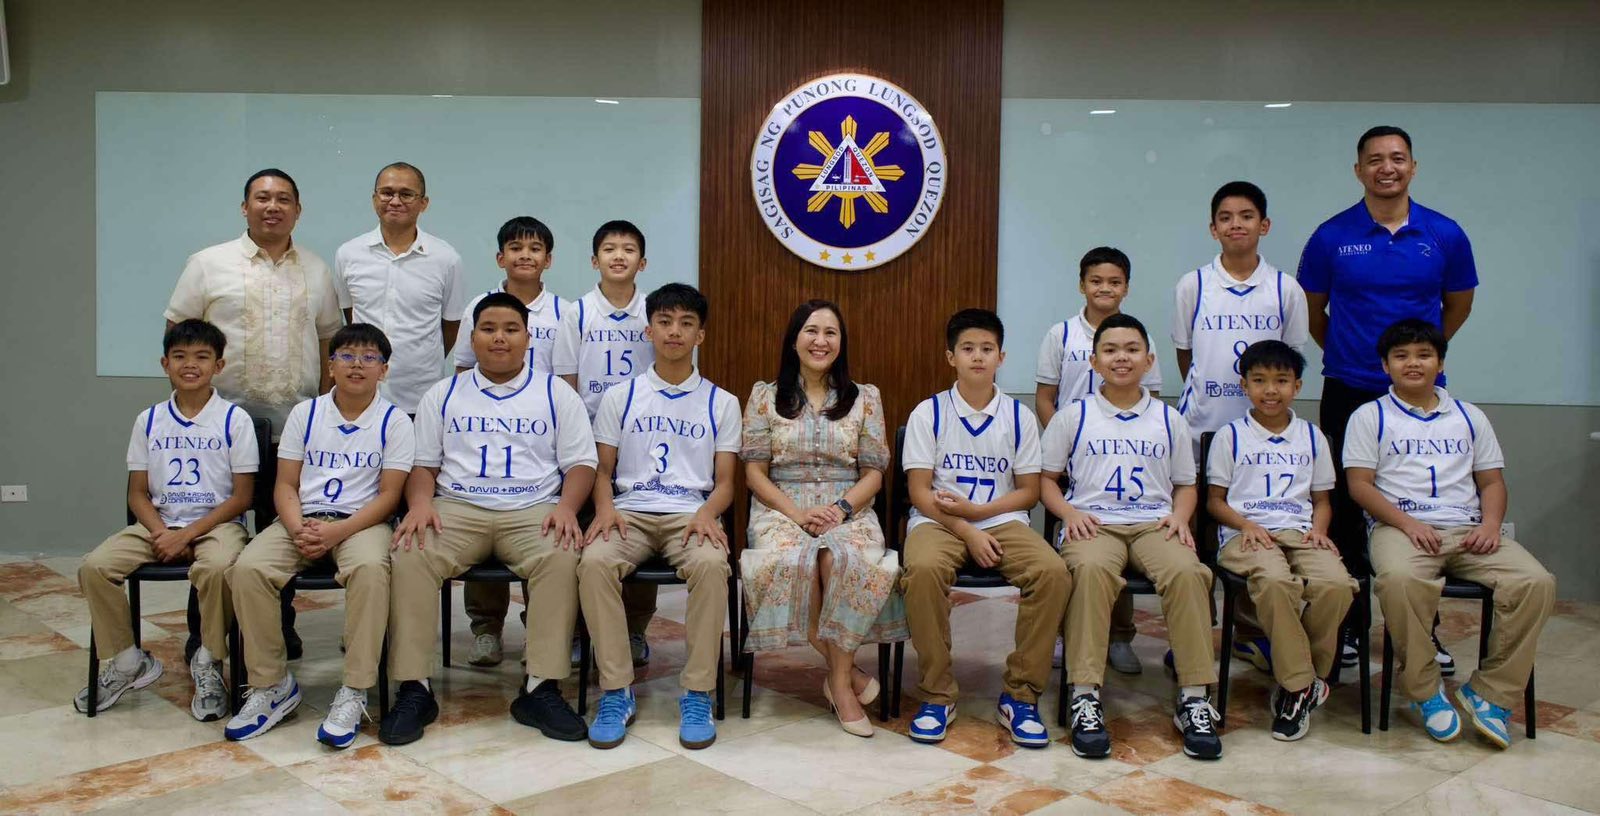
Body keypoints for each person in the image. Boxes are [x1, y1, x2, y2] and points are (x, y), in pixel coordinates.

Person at [380, 293, 596, 746]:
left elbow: (580, 464)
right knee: (409, 552)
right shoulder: (444, 393)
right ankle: (414, 687)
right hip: (456, 509)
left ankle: (540, 687)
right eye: (489, 329)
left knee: (562, 555)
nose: (500, 338)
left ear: (528, 337)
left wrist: (566, 508)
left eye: (511, 329)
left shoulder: (557, 393)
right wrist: (419, 504)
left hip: (534, 509)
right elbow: (424, 465)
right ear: (472, 337)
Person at [1298, 126, 1478, 671]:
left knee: (1428, 506)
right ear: (1359, 171)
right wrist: (1366, 361)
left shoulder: (1444, 234)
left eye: (1397, 158)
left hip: (1421, 398)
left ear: (1413, 167)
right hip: (1348, 389)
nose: (1386, 167)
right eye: (1374, 159)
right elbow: (1314, 314)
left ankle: (1421, 634)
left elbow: (1457, 308)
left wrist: (1411, 367)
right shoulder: (1331, 236)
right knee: (1350, 511)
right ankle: (1351, 628)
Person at [1345, 319, 1553, 749]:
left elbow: (1492, 482)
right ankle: (1424, 690)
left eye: (1423, 354)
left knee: (1536, 582)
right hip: (1399, 528)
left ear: (1440, 361)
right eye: (1401, 356)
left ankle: (1490, 693)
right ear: (1385, 366)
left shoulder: (1469, 416)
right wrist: (1407, 523)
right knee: (1399, 582)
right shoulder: (1370, 416)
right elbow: (1359, 485)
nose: (1413, 363)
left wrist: (1491, 525)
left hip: (1469, 528)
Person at [166, 167, 339, 661]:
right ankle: (205, 634)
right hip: (219, 429)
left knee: (278, 528)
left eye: (284, 199)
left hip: (291, 428)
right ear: (244, 207)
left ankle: (278, 628)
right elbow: (179, 337)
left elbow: (329, 339)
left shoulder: (316, 268)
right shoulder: (207, 264)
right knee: (211, 531)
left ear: (298, 211)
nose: (272, 206)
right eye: (262, 198)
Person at [223, 324, 413, 748]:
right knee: (249, 567)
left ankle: (354, 688)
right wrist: (297, 528)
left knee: (369, 568)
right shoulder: (305, 414)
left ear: (383, 370)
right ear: (330, 366)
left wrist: (337, 532)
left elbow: (390, 495)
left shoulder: (395, 420)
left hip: (360, 524)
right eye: (347, 356)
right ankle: (271, 685)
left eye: (369, 358)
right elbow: (285, 485)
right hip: (302, 520)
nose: (357, 365)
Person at [1041, 313, 1219, 761]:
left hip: (1153, 522)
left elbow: (1186, 483)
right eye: (1111, 350)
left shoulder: (1168, 418)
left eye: (1132, 349)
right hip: (1094, 522)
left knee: (1188, 572)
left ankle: (1195, 696)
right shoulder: (1072, 416)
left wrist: (1181, 517)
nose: (1122, 358)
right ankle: (1085, 694)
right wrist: (1068, 512)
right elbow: (1045, 480)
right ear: (1095, 362)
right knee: (1089, 571)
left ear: (1149, 360)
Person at [579, 283, 739, 750]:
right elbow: (601, 470)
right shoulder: (620, 396)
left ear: (700, 336)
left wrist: (710, 512)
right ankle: (615, 689)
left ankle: (696, 691)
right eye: (666, 322)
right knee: (593, 563)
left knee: (712, 567)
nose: (675, 331)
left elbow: (726, 480)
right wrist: (604, 509)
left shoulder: (720, 401)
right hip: (629, 513)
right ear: (648, 330)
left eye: (686, 323)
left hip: (691, 515)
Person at [901, 309, 1070, 748]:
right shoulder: (928, 412)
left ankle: (1020, 696)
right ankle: (938, 694)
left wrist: (981, 514)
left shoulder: (1019, 416)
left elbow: (1029, 491)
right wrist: (966, 528)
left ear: (1002, 356)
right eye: (968, 349)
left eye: (987, 349)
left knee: (1052, 574)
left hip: (1001, 519)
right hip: (938, 522)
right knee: (921, 572)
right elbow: (920, 492)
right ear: (950, 357)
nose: (978, 357)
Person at [75, 320, 258, 721]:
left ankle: (208, 661)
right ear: (165, 363)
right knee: (94, 566)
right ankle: (128, 661)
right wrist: (162, 533)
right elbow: (137, 493)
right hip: (157, 523)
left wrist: (189, 534)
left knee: (216, 566)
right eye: (179, 356)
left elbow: (242, 497)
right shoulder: (149, 420)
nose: (189, 365)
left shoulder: (235, 420)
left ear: (219, 365)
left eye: (201, 357)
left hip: (216, 525)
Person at [741, 300, 908, 738]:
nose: (820, 341)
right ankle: (846, 678)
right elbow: (754, 471)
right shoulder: (764, 395)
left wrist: (840, 510)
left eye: (830, 333)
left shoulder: (865, 397)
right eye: (811, 331)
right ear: (794, 339)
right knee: (796, 561)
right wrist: (797, 514)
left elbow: (874, 471)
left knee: (840, 560)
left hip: (849, 507)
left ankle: (837, 679)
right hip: (781, 508)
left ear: (841, 342)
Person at [1172, 182, 1310, 675]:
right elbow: (1186, 355)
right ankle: (1192, 635)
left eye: (1247, 215)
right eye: (1226, 217)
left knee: (1254, 532)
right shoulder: (1194, 284)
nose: (1236, 224)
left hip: (1263, 431)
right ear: (1213, 228)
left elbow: (1292, 359)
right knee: (1195, 533)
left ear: (1264, 225)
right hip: (1204, 427)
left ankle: (1251, 634)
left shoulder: (1285, 289)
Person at [1205, 340, 1355, 741]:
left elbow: (1323, 500)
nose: (1270, 390)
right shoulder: (1230, 436)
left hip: (1302, 530)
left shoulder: (1312, 436)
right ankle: (1301, 685)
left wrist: (1319, 531)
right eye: (1259, 380)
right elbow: (1215, 502)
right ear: (1244, 385)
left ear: (1298, 385)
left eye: (1281, 381)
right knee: (1274, 583)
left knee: (1337, 586)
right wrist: (1245, 524)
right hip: (1246, 533)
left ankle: (1298, 682)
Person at [1033, 246, 1157, 675]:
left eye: (1115, 281)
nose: (1105, 288)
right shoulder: (1061, 335)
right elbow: (1046, 398)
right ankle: (1068, 633)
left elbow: (1151, 402)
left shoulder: (1140, 335)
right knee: (1077, 548)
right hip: (1069, 457)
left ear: (1126, 287)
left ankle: (1118, 636)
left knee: (1121, 527)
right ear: (1082, 284)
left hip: (1121, 456)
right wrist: (1063, 449)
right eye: (1096, 281)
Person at [454, 216, 570, 667]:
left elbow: (567, 379)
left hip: (541, 436)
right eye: (516, 247)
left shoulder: (565, 312)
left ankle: (538, 632)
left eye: (536, 247)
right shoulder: (478, 306)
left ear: (549, 259)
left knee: (543, 535)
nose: (526, 254)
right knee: (483, 504)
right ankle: (486, 627)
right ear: (500, 257)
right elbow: (464, 371)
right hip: (487, 433)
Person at [553, 220, 658, 669]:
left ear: (642, 262)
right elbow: (566, 383)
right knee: (584, 535)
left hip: (643, 437)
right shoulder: (576, 314)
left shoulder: (656, 314)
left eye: (629, 249)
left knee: (637, 525)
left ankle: (634, 628)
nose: (619, 256)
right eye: (609, 249)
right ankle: (579, 631)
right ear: (594, 260)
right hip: (589, 437)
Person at [333, 161, 466, 416]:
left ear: (424, 203)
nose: (395, 201)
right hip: (362, 396)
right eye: (387, 193)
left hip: (420, 397)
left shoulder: (446, 259)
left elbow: (451, 328)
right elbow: (351, 316)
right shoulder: (348, 254)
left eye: (406, 194)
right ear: (374, 199)